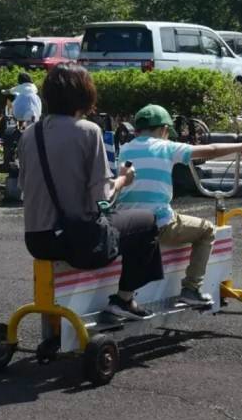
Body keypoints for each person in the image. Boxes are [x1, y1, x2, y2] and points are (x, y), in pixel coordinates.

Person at [18, 65, 163, 320]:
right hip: (79, 243)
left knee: (116, 221)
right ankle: (125, 298)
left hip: (38, 240)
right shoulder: (88, 131)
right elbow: (103, 195)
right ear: (85, 95)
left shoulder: (30, 134)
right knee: (148, 222)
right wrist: (123, 180)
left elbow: (24, 186)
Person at [116, 104, 242, 306]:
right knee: (207, 230)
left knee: (177, 217)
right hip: (158, 223)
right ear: (163, 130)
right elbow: (210, 150)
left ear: (137, 129)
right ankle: (191, 288)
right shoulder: (166, 147)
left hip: (128, 222)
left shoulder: (124, 149)